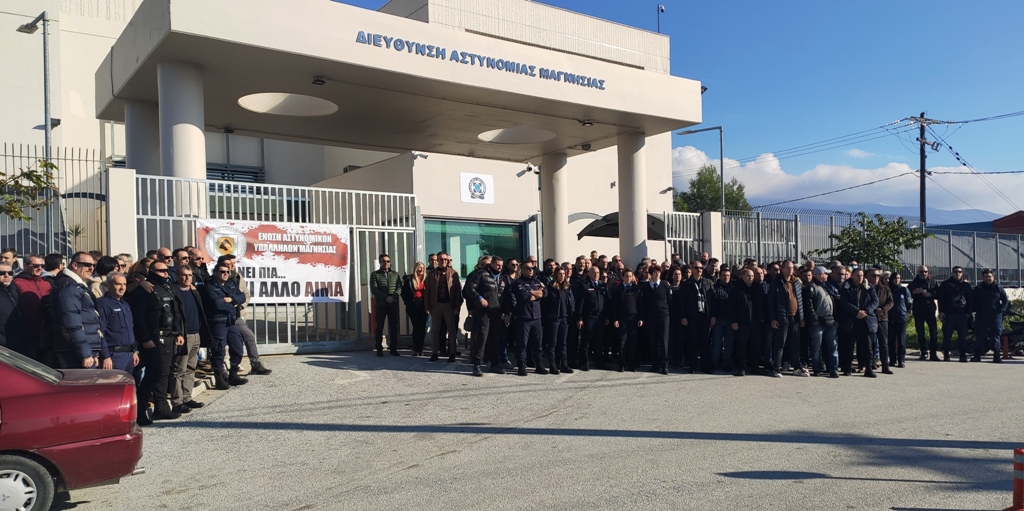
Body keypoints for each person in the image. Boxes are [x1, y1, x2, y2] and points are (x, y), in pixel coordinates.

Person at [129, 260, 186, 424]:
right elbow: (139, 317)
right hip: (152, 339)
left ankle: (161, 407)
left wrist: (178, 332)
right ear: (152, 272)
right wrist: (145, 338)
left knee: (164, 373)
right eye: (161, 271)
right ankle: (140, 411)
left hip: (168, 336)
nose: (165, 274)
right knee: (153, 374)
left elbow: (175, 312)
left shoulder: (168, 288)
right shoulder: (144, 290)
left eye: (167, 271)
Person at [51, 252, 110, 370]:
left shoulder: (78, 286)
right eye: (87, 265)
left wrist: (94, 351)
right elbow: (71, 323)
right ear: (74, 265)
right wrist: (85, 353)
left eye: (93, 265)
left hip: (84, 349)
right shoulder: (69, 287)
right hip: (73, 351)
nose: (91, 268)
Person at [218, 254, 271, 374]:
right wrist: (232, 301)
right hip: (221, 317)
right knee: (223, 343)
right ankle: (222, 368)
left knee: (249, 336)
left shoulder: (237, 277)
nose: (231, 266)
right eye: (228, 264)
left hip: (236, 315)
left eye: (233, 263)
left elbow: (244, 295)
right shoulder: (215, 280)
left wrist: (238, 304)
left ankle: (255, 364)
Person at [201, 263, 248, 390]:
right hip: (217, 321)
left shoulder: (230, 283)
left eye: (227, 272)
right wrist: (233, 303)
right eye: (222, 272)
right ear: (215, 272)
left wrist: (231, 299)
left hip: (230, 321)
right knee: (219, 350)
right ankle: (219, 377)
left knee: (238, 346)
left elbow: (242, 296)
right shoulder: (209, 286)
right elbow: (217, 305)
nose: (225, 274)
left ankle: (233, 374)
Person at [170, 266, 211, 413]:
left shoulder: (194, 291)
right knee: (179, 369)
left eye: (189, 275)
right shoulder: (173, 292)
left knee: (190, 367)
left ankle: (187, 397)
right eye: (184, 275)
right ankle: (177, 401)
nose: (187, 278)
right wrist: (177, 333)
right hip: (183, 335)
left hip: (196, 334)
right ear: (177, 276)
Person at [463, 255, 503, 376]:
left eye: (501, 265)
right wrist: (480, 298)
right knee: (482, 338)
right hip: (483, 311)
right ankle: (477, 365)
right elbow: (469, 289)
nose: (500, 267)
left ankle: (494, 364)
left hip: (496, 311)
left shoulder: (501, 277)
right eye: (497, 265)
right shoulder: (481, 274)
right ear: (492, 264)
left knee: (495, 338)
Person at [838, 268, 879, 378]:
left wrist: (865, 311)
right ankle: (847, 368)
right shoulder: (845, 287)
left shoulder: (869, 287)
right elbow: (844, 302)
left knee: (868, 346)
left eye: (861, 275)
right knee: (849, 346)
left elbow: (875, 301)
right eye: (857, 275)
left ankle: (868, 368)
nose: (860, 278)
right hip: (851, 320)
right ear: (852, 275)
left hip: (866, 319)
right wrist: (856, 311)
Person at [767, 260, 805, 377]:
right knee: (780, 344)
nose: (790, 270)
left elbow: (800, 300)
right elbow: (770, 302)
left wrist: (802, 317)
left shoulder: (797, 282)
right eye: (788, 268)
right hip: (782, 317)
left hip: (795, 317)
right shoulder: (776, 282)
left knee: (795, 344)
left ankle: (796, 367)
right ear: (782, 269)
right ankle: (776, 368)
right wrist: (773, 318)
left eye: (792, 268)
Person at [96, 272, 138, 374]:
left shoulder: (125, 305)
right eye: (118, 284)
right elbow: (99, 332)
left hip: (129, 355)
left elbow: (130, 329)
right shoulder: (103, 304)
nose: (122, 288)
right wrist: (105, 356)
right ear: (108, 285)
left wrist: (134, 351)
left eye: (124, 284)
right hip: (114, 355)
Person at [424, 251, 463, 362]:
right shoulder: (431, 274)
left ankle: (452, 353)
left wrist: (457, 307)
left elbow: (457, 292)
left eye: (446, 259)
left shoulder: (453, 273)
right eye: (441, 259)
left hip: (449, 306)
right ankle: (434, 353)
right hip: (436, 305)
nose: (443, 261)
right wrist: (427, 307)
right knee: (435, 330)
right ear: (437, 261)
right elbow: (427, 292)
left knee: (451, 330)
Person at [11, 254, 50, 361]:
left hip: (45, 331)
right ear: (25, 266)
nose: (40, 268)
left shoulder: (46, 284)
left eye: (42, 266)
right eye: (36, 265)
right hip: (27, 332)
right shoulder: (17, 283)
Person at [510, 261, 546, 375]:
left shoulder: (537, 281)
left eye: (532, 268)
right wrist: (536, 294)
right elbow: (524, 296)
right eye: (528, 268)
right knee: (522, 343)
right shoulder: (518, 283)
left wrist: (531, 292)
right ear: (522, 270)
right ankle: (521, 365)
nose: (531, 270)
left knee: (538, 343)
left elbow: (544, 293)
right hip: (524, 317)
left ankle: (539, 364)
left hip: (537, 317)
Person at [730, 268, 765, 376]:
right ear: (742, 277)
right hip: (742, 323)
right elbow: (732, 307)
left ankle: (754, 367)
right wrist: (734, 321)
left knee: (756, 345)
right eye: (748, 276)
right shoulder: (736, 289)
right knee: (742, 345)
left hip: (756, 322)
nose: (750, 278)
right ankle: (741, 367)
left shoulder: (758, 288)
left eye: (752, 276)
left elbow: (763, 305)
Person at [680, 261, 714, 373]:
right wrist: (683, 316)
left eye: (700, 268)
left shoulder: (708, 282)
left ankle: (705, 366)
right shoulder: (686, 284)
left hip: (705, 316)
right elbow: (682, 302)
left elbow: (713, 301)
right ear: (692, 269)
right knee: (692, 342)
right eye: (696, 268)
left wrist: (713, 315)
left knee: (705, 342)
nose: (699, 270)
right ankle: (693, 366)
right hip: (692, 317)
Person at [573, 265, 607, 371]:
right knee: (586, 341)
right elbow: (580, 303)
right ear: (589, 274)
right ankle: (584, 362)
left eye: (597, 273)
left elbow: (606, 302)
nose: (596, 274)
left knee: (599, 341)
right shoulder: (584, 286)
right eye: (593, 272)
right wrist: (580, 318)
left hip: (600, 317)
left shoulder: (602, 285)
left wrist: (607, 317)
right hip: (589, 317)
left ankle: (599, 362)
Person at [542, 265, 575, 374]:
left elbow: (571, 302)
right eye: (560, 274)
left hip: (564, 317)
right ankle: (552, 365)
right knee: (552, 342)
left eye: (563, 274)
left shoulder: (567, 287)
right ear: (556, 275)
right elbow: (545, 304)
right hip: (553, 318)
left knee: (563, 342)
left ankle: (564, 364)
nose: (562, 276)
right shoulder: (550, 287)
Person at [971, 269, 1009, 363]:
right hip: (981, 317)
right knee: (979, 336)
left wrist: (1001, 310)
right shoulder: (978, 288)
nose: (988, 278)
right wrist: (976, 310)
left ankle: (996, 356)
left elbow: (1005, 300)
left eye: (990, 276)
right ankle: (977, 356)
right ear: (983, 278)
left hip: (995, 316)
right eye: (986, 277)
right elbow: (973, 301)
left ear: (993, 277)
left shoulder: (998, 288)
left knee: (995, 336)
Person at [808, 266, 839, 377]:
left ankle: (834, 369)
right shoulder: (812, 287)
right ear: (821, 274)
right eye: (826, 273)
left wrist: (836, 319)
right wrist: (814, 320)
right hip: (818, 322)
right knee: (816, 347)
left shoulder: (827, 287)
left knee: (833, 346)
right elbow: (809, 305)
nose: (827, 276)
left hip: (830, 320)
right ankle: (817, 369)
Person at [937, 266, 972, 362]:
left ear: (962, 273)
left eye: (959, 272)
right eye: (955, 272)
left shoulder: (966, 286)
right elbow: (941, 299)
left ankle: (963, 355)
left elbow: (970, 300)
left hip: (962, 314)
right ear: (952, 273)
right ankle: (946, 355)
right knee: (947, 336)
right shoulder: (945, 284)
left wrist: (968, 313)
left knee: (962, 337)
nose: (957, 273)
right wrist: (941, 312)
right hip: (949, 314)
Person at [641, 265, 672, 375]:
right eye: (654, 272)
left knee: (664, 340)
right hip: (650, 317)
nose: (657, 274)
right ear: (650, 274)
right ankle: (655, 364)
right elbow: (642, 303)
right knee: (653, 340)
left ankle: (665, 365)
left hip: (663, 316)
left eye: (658, 272)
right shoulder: (645, 287)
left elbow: (669, 300)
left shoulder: (665, 285)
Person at [370, 253, 402, 357]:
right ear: (380, 262)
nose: (386, 263)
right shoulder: (375, 275)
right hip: (381, 304)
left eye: (388, 261)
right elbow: (374, 289)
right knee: (379, 327)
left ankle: (393, 348)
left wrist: (394, 297)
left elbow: (399, 287)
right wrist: (386, 298)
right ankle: (379, 348)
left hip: (392, 304)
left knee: (394, 327)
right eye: (383, 261)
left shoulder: (395, 274)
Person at [611, 267, 641, 372]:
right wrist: (615, 319)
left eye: (630, 276)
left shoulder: (636, 288)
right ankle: (622, 364)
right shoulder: (617, 289)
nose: (628, 278)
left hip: (634, 317)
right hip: (622, 318)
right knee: (622, 341)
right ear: (623, 277)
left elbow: (640, 304)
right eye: (626, 276)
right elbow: (614, 306)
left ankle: (631, 364)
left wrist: (641, 318)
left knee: (633, 341)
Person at [907, 265, 939, 361]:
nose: (923, 274)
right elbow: (907, 295)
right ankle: (924, 352)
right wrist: (914, 292)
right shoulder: (913, 283)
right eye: (921, 272)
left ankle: (933, 353)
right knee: (920, 333)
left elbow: (939, 294)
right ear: (918, 272)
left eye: (925, 272)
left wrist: (931, 294)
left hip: (930, 311)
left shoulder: (933, 282)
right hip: (918, 311)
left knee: (934, 333)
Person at [866, 268, 892, 373]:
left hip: (882, 318)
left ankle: (885, 365)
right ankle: (870, 364)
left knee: (883, 343)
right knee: (870, 343)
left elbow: (890, 302)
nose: (876, 278)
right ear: (867, 276)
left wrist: (883, 310)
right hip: (869, 318)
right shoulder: (865, 288)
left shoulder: (885, 289)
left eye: (878, 276)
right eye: (873, 275)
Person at [401, 261, 429, 357]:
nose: (421, 269)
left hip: (424, 304)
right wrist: (408, 303)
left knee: (422, 327)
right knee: (416, 326)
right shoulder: (409, 279)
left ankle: (420, 348)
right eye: (419, 267)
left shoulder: (426, 279)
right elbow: (404, 293)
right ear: (416, 269)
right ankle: (416, 348)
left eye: (423, 268)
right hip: (413, 304)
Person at [709, 266, 733, 372]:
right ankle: (714, 362)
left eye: (728, 275)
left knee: (729, 343)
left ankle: (726, 363)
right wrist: (713, 316)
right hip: (718, 319)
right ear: (720, 276)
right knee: (716, 343)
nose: (726, 277)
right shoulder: (714, 288)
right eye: (724, 275)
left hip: (730, 320)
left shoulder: (733, 289)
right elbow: (712, 304)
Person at [887, 272, 911, 368]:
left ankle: (901, 360)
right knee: (891, 340)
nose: (896, 280)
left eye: (898, 278)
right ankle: (892, 360)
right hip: (890, 317)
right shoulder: (888, 289)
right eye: (895, 278)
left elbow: (908, 303)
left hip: (901, 318)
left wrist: (905, 312)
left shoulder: (904, 290)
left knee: (901, 341)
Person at [0, 262, 21, 348]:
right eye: (2, 273)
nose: (6, 275)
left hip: (19, 340)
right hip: (3, 344)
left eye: (10, 273)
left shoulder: (15, 289)